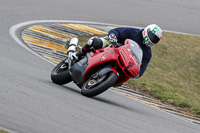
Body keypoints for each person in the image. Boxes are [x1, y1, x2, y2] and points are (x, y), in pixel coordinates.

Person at [68, 24, 162, 78]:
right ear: (147, 31)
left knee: (124, 77)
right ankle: (78, 54)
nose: (152, 40)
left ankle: (103, 79)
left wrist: (137, 74)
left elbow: (142, 67)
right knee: (95, 42)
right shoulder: (133, 32)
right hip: (113, 46)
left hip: (124, 61)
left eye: (155, 39)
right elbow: (116, 31)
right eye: (152, 37)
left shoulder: (147, 53)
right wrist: (113, 36)